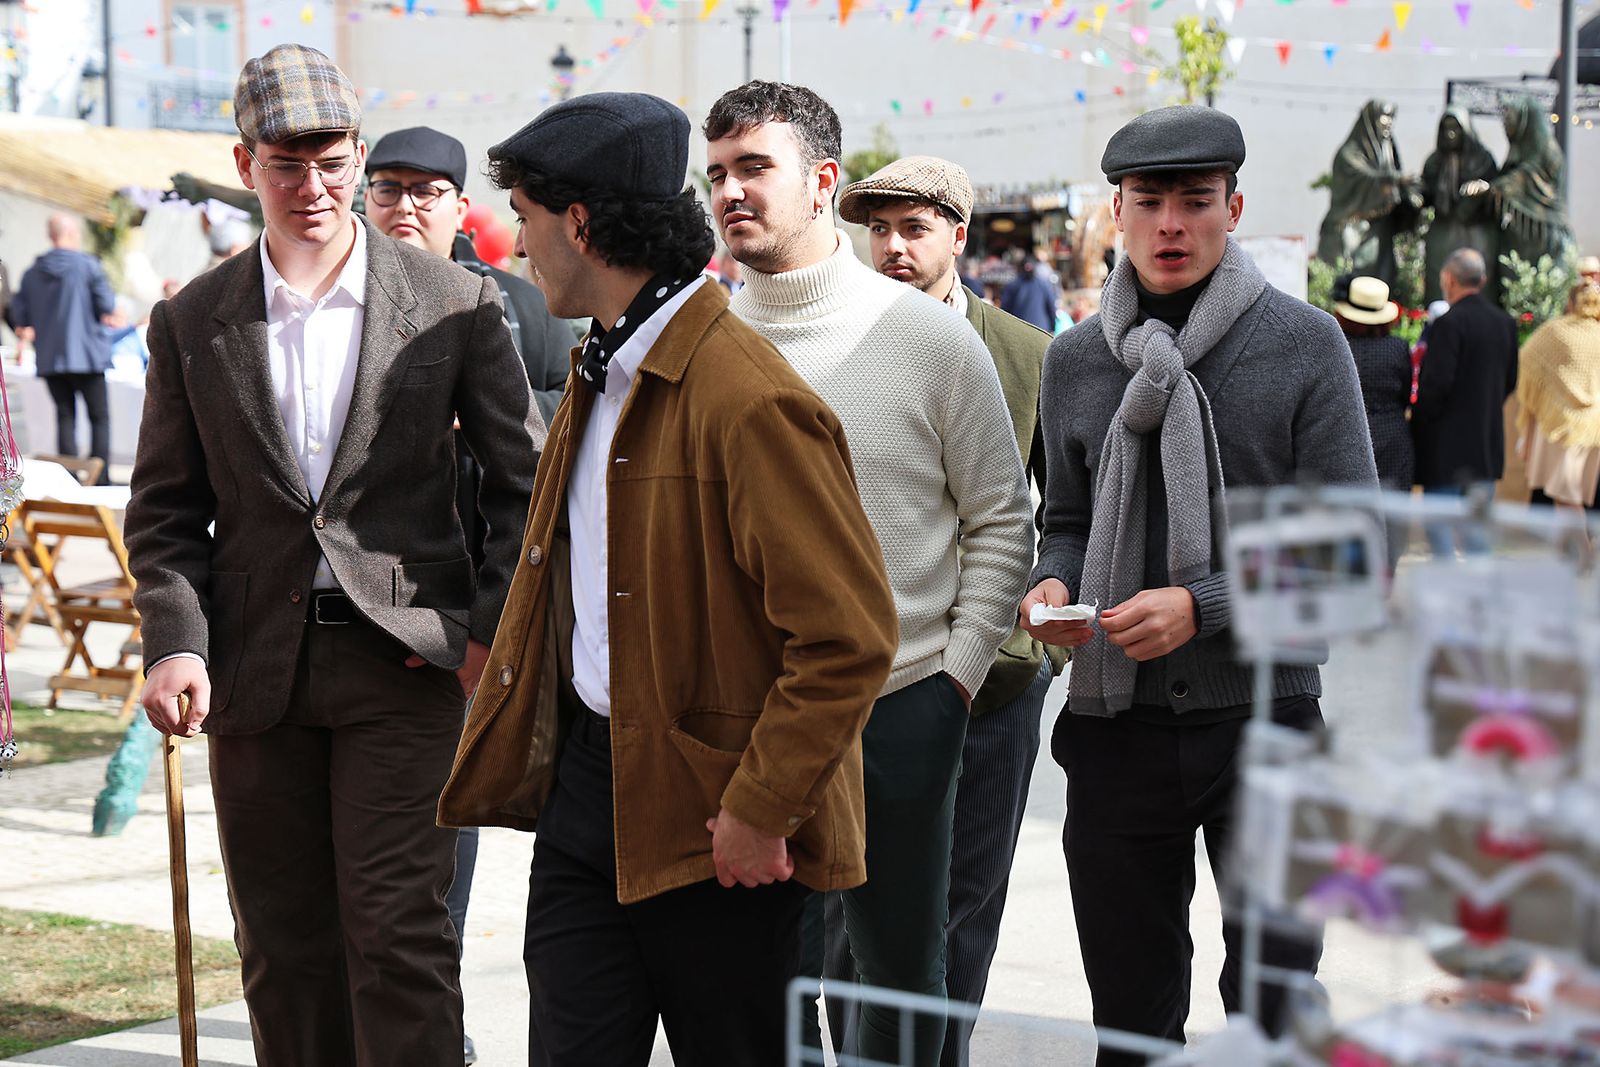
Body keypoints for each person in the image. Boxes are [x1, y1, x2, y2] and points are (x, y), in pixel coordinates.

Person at [436, 91, 897, 1066]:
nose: (518, 246)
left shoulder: (749, 398)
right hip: (587, 796)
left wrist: (761, 805)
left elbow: (847, 636)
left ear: (579, 223)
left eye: (524, 217)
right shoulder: (598, 366)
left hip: (721, 817)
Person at [124, 44, 542, 1065]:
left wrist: (482, 635)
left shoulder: (454, 300)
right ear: (245, 163)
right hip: (252, 671)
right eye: (286, 165)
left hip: (407, 664)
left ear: (356, 155)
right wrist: (174, 640)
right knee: (281, 944)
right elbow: (167, 508)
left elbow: (524, 487)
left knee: (398, 938)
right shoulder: (191, 319)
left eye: (331, 161)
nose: (312, 186)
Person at [1019, 105, 1379, 1066]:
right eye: (1149, 201)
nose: (1171, 224)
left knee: (1275, 1008)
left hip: (1267, 720)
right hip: (1114, 727)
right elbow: (1066, 519)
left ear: (1235, 208)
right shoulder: (1075, 359)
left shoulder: (1305, 344)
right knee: (1130, 1019)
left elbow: (1356, 554)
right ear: (1118, 213)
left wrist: (1204, 605)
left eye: (1195, 200)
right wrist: (1050, 586)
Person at [705, 81, 1034, 1066]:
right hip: (742, 715)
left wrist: (953, 681)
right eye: (715, 173)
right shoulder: (707, 347)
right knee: (753, 973)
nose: (729, 191)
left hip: (902, 705)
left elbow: (1001, 519)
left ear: (821, 181)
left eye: (753, 167)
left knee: (898, 978)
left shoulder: (930, 340)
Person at [838, 152, 1061, 1066]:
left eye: (914, 227)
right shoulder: (839, 337)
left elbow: (1064, 514)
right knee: (849, 919)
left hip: (990, 684)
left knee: (964, 909)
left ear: (958, 237)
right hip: (862, 681)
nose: (893, 246)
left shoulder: (1027, 355)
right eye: (879, 229)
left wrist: (1031, 643)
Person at [364, 125, 573, 427]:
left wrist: (483, 402)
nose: (404, 207)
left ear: (460, 209)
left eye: (424, 192)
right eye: (387, 190)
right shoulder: (337, 298)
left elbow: (576, 399)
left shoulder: (527, 303)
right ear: (367, 198)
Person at [1411, 247, 1519, 554]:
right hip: (1485, 445)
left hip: (1445, 448)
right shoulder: (1504, 323)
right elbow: (1510, 381)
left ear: (1448, 279)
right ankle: (1479, 585)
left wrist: (1418, 423)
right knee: (1478, 536)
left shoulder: (1448, 323)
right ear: (1482, 280)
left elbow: (1435, 386)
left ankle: (1449, 585)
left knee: (1440, 531)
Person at [9, 214, 116, 484]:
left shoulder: (32, 273)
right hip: (87, 355)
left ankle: (68, 478)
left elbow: (19, 314)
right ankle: (100, 478)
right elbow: (106, 304)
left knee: (65, 416)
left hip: (51, 357)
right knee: (99, 417)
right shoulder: (88, 266)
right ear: (70, 234)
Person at [1315, 99, 1421, 286]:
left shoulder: (1387, 148)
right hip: (1353, 224)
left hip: (1381, 228)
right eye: (1384, 116)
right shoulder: (1349, 153)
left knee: (1382, 279)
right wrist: (1392, 179)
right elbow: (1363, 176)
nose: (1389, 121)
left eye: (1391, 116)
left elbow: (1394, 178)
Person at [1516, 282, 1600, 509]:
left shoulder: (1556, 331)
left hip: (1561, 425)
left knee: (1566, 500)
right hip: (1593, 427)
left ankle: (1578, 536)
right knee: (1575, 500)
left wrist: (1550, 388)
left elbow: (1526, 359)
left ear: (1571, 303)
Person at [1333, 276, 1415, 494]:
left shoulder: (1338, 346)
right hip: (1392, 438)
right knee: (1394, 506)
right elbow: (1406, 396)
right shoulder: (1397, 348)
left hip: (1348, 435)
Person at [1420, 108, 1500, 306]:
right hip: (1443, 230)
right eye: (1446, 129)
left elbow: (1497, 192)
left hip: (1475, 232)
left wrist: (1484, 188)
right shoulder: (1434, 161)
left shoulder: (1483, 159)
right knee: (1438, 285)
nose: (1450, 134)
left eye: (1455, 128)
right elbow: (1426, 194)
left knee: (1477, 285)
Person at [1000, 255, 1057, 332]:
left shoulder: (1012, 285)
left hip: (1019, 330)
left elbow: (1004, 310)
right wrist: (1053, 327)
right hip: (1040, 330)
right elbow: (1051, 307)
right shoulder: (1043, 284)